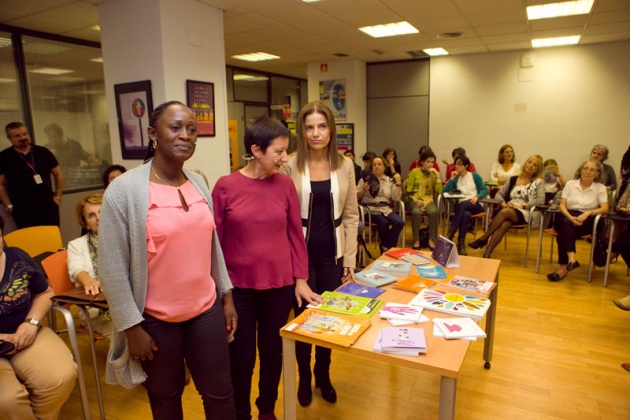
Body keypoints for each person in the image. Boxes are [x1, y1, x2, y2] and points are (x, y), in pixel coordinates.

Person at [98, 101, 237, 419]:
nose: (185, 135)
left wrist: (226, 295)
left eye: (191, 129)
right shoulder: (124, 191)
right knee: (166, 398)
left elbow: (212, 246)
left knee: (220, 394)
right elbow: (111, 267)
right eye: (175, 127)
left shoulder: (198, 182)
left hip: (205, 311)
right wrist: (132, 328)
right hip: (155, 322)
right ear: (152, 133)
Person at [213, 116, 322, 420]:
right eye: (279, 151)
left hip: (279, 287)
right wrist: (224, 293)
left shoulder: (285, 185)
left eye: (286, 151)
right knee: (243, 357)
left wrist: (301, 279)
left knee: (273, 354)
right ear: (256, 150)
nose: (285, 158)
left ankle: (267, 409)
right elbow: (216, 245)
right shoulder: (225, 186)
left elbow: (294, 236)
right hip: (240, 291)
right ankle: (242, 412)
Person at [280, 101, 359, 408]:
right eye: (310, 127)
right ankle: (302, 377)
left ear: (331, 129)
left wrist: (350, 260)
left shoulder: (345, 165)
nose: (316, 133)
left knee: (327, 321)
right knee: (303, 322)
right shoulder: (290, 164)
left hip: (333, 257)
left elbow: (351, 215)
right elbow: (283, 217)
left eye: (322, 126)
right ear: (302, 130)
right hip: (299, 261)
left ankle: (322, 375)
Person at [0, 214, 77, 419]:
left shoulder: (16, 257)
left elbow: (44, 292)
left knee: (61, 376)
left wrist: (31, 323)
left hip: (25, 331)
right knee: (6, 400)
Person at [469, 155, 545, 258]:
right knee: (505, 223)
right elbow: (499, 194)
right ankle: (487, 254)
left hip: (528, 211)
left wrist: (522, 206)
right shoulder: (513, 179)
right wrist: (502, 203)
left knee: (505, 212)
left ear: (537, 169)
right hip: (510, 210)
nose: (531, 166)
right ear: (525, 163)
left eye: (535, 165)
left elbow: (541, 200)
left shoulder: (538, 182)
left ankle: (484, 238)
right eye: (529, 162)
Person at [547, 160, 608, 282]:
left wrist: (588, 213)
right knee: (565, 224)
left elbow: (605, 208)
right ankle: (571, 259)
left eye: (592, 170)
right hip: (568, 214)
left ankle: (563, 268)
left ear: (597, 174)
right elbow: (562, 206)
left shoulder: (600, 187)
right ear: (581, 170)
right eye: (585, 168)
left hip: (587, 218)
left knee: (563, 233)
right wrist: (570, 217)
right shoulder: (570, 184)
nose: (588, 172)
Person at [0, 122, 64, 228]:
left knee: (52, 239)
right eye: (17, 136)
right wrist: (9, 205)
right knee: (30, 242)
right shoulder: (4, 157)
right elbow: (1, 185)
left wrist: (57, 197)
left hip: (48, 206)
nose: (23, 137)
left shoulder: (43, 152)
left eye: (24, 134)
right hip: (22, 210)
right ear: (9, 138)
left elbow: (58, 175)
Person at [67, 193, 111, 338]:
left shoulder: (124, 238)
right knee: (128, 335)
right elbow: (77, 269)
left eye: (101, 212)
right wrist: (89, 282)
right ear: (85, 222)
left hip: (128, 305)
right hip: (95, 312)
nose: (98, 218)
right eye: (91, 215)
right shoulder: (76, 245)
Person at [443, 155, 489, 256]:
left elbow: (485, 190)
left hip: (475, 204)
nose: (456, 166)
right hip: (462, 207)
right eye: (456, 164)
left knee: (464, 204)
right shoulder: (456, 178)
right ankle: (461, 244)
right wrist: (451, 178)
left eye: (460, 164)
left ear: (466, 165)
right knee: (466, 214)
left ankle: (451, 232)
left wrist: (477, 196)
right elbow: (445, 191)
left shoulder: (474, 176)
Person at [358, 155, 404, 252]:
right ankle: (388, 250)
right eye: (374, 165)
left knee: (399, 222)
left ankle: (385, 247)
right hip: (369, 209)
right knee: (384, 223)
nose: (377, 166)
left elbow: (396, 198)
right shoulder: (364, 179)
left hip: (385, 208)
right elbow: (355, 197)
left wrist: (398, 183)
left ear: (384, 167)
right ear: (371, 167)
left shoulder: (389, 180)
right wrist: (362, 191)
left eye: (379, 164)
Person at [405, 148, 442, 250]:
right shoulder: (414, 172)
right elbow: (408, 191)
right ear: (422, 162)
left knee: (434, 212)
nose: (430, 164)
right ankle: (416, 240)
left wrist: (438, 176)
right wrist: (416, 200)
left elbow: (439, 190)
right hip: (413, 198)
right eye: (428, 162)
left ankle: (431, 239)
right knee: (416, 212)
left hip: (428, 199)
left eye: (432, 162)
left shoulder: (433, 174)